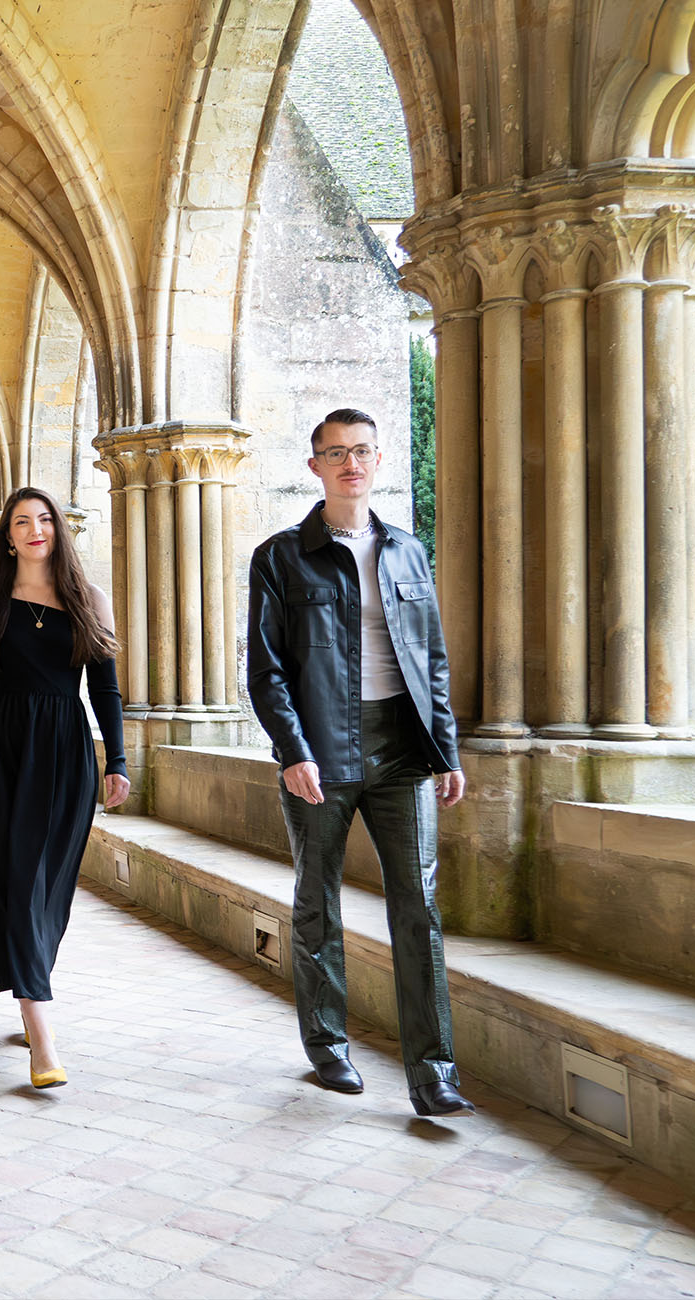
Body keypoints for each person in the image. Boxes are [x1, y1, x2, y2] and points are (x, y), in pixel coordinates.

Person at [247, 407, 473, 1117]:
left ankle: (434, 1072)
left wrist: (446, 747)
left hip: (403, 749)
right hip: (321, 750)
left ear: (379, 461)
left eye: (363, 451)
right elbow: (267, 668)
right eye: (336, 452)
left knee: (420, 905)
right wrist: (293, 751)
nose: (352, 463)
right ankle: (329, 1046)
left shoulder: (407, 551)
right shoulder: (282, 556)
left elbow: (431, 660)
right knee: (319, 901)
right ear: (314, 466)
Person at [0, 487, 127, 1091]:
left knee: (47, 885)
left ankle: (24, 975)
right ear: (7, 535)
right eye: (21, 521)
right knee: (13, 879)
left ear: (57, 528)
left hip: (65, 754)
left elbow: (105, 689)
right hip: (0, 751)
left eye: (44, 519)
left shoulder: (87, 599)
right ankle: (41, 1030)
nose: (34, 529)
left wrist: (117, 762)